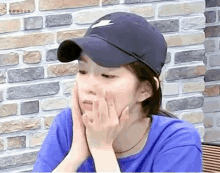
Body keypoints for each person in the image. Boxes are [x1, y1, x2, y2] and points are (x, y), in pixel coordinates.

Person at [32, 12, 202, 172]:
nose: (88, 86)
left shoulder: (177, 141)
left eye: (107, 75)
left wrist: (102, 149)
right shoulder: (68, 125)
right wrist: (75, 155)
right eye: (82, 71)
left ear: (145, 90)